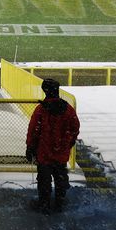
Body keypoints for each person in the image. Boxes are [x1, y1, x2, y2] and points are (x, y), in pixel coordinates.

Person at [25, 78, 81, 214]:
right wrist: (70, 141)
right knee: (60, 178)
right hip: (61, 152)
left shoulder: (41, 110)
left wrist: (30, 147)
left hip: (44, 153)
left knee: (44, 180)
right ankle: (59, 203)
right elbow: (75, 127)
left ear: (45, 90)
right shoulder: (68, 109)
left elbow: (33, 130)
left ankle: (44, 204)